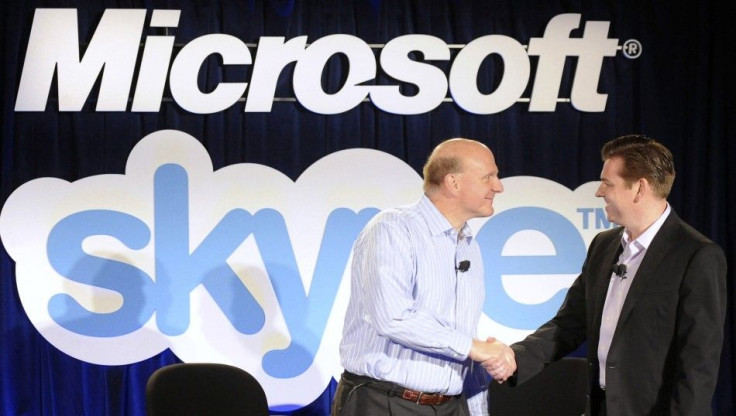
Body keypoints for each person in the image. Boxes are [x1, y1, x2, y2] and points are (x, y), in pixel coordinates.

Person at [504, 135, 727, 415]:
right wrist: (514, 358)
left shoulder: (697, 255)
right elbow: (569, 324)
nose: (599, 192)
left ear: (639, 189)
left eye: (608, 183)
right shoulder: (603, 245)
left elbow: (699, 362)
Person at [331, 138, 514, 416]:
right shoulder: (393, 228)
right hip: (385, 403)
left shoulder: (468, 244)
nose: (498, 186)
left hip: (450, 405)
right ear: (453, 183)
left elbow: (461, 337)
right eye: (489, 176)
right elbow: (393, 317)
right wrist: (476, 348)